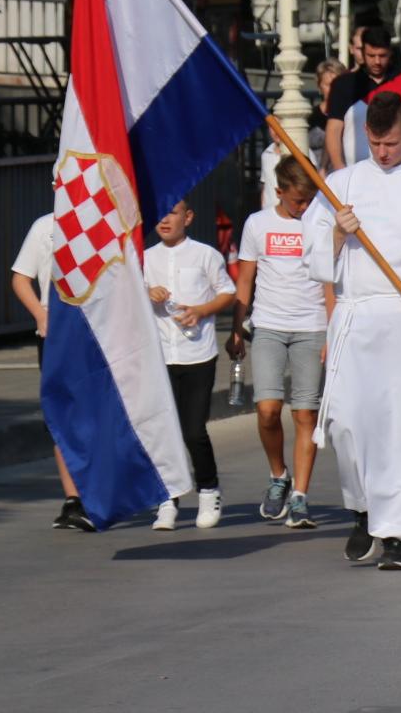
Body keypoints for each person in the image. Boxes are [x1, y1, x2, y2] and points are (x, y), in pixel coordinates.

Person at [305, 91, 401, 569]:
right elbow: (312, 257)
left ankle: (397, 532)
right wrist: (335, 233)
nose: (382, 152)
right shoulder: (342, 182)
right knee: (347, 423)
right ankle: (363, 507)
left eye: (390, 142)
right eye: (374, 142)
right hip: (355, 314)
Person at [231, 156, 328, 530]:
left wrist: (331, 331)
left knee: (305, 413)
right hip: (269, 325)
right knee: (268, 409)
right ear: (279, 191)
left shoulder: (321, 222)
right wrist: (237, 330)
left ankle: (301, 497)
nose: (303, 208)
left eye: (308, 200)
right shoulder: (257, 224)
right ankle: (279, 476)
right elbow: (245, 281)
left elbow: (330, 281)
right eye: (297, 201)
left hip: (312, 325)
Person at [143, 199, 236, 532]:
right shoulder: (144, 258)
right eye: (161, 213)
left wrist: (201, 309)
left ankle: (209, 490)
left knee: (193, 430)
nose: (166, 219)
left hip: (197, 354)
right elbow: (126, 297)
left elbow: (228, 292)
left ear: (188, 217)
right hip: (159, 356)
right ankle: (167, 499)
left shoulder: (205, 255)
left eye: (173, 212)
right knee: (161, 431)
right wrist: (146, 291)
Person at [9, 209, 92, 532]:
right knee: (61, 415)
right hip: (56, 334)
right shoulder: (45, 226)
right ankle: (73, 500)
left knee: (93, 414)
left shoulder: (102, 219)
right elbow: (20, 278)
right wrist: (40, 316)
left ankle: (96, 492)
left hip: (95, 332)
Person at [324, 26, 401, 171]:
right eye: (371, 55)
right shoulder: (344, 84)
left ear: (390, 53)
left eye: (382, 56)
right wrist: (340, 168)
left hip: (400, 168)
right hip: (354, 170)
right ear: (362, 53)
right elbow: (333, 130)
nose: (377, 61)